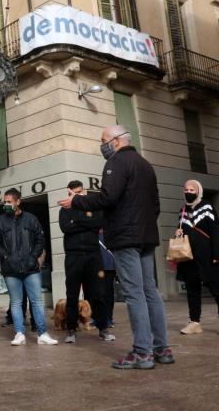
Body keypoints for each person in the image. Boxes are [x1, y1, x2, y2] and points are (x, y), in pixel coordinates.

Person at [59, 125, 173, 369]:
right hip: (145, 236)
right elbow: (155, 205)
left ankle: (142, 353)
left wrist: (76, 201)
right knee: (150, 291)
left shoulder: (116, 163)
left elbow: (108, 197)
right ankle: (162, 349)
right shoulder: (145, 164)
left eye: (103, 140)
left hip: (125, 238)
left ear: (118, 141)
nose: (101, 145)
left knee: (134, 293)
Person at [0, 188, 57, 346]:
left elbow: (40, 239)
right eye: (4, 202)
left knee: (37, 302)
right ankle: (19, 333)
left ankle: (42, 334)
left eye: (9, 201)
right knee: (15, 302)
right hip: (11, 269)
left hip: (31, 268)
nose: (6, 204)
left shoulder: (30, 219)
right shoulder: (0, 221)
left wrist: (33, 257)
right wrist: (6, 257)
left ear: (18, 201)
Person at [59, 180, 115, 344]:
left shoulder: (93, 206)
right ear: (70, 192)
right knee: (72, 294)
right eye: (74, 192)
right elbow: (65, 227)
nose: (78, 194)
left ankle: (103, 328)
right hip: (73, 256)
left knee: (98, 293)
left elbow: (98, 223)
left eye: (80, 191)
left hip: (93, 255)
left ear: (84, 191)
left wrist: (77, 222)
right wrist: (85, 222)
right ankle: (71, 329)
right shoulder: (65, 209)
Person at [174, 179, 219, 335]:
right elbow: (182, 229)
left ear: (198, 191)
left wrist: (216, 254)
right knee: (192, 289)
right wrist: (178, 232)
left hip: (207, 255)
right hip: (188, 257)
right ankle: (194, 323)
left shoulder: (207, 206)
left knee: (216, 288)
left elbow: (215, 231)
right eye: (186, 189)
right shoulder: (182, 211)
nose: (188, 192)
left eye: (192, 190)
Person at [98, 230, 116, 328]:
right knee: (100, 293)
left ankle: (108, 318)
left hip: (109, 264)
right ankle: (101, 317)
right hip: (98, 265)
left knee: (108, 293)